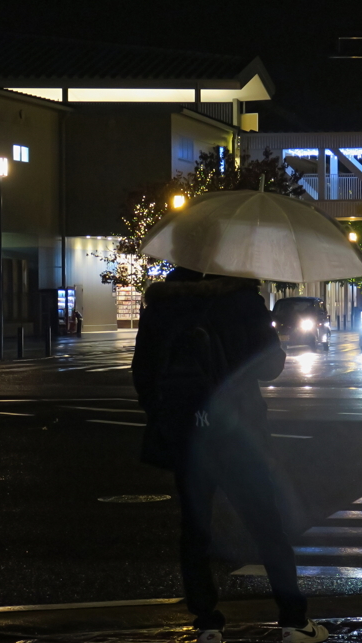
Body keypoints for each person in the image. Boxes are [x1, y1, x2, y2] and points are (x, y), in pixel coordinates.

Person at [132, 266, 328, 643]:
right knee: (267, 526)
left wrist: (167, 416)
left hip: (187, 433)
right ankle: (293, 621)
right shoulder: (242, 300)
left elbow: (144, 371)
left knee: (195, 531)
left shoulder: (163, 304)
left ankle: (207, 623)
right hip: (240, 433)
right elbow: (270, 366)